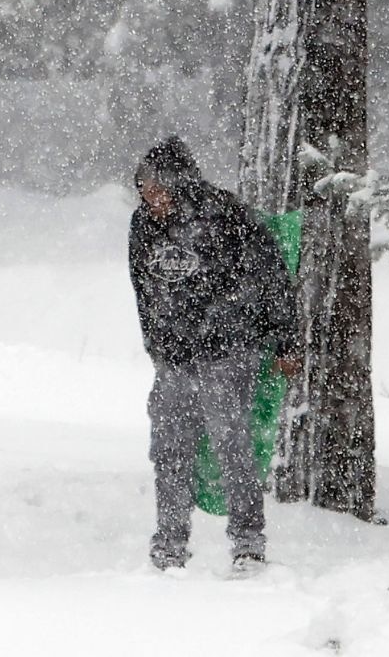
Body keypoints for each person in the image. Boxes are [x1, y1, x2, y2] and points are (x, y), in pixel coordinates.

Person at [128, 136, 298, 577]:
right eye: (143, 189)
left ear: (178, 186)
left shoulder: (226, 216)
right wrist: (158, 344)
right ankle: (169, 544)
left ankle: (248, 542)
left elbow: (273, 275)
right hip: (174, 357)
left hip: (227, 350)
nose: (150, 198)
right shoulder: (143, 225)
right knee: (168, 447)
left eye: (157, 189)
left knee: (230, 441)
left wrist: (285, 339)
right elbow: (143, 290)